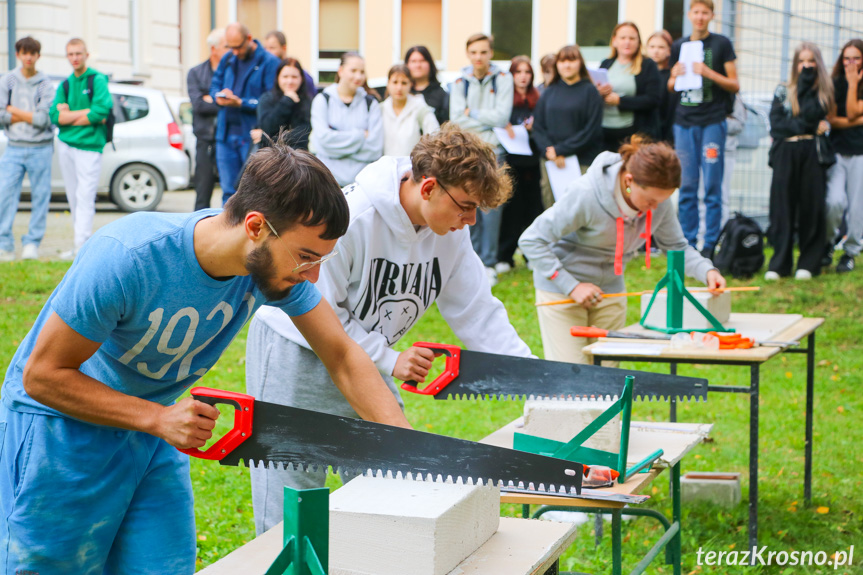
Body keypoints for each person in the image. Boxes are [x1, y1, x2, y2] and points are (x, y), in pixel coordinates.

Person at [0, 140, 410, 573]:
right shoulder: (128, 256)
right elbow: (42, 376)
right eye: (306, 257)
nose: (314, 275)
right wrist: (157, 418)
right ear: (255, 227)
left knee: (164, 567)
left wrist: (407, 446)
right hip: (61, 433)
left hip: (152, 434)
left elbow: (343, 354)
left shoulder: (268, 268)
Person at [247, 124, 530, 534]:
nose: (471, 220)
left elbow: (480, 314)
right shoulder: (354, 215)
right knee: (291, 505)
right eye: (466, 205)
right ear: (429, 187)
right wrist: (389, 357)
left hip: (365, 363)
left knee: (387, 492)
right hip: (297, 351)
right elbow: (315, 307)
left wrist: (541, 384)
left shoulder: (450, 234)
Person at [519, 136, 726, 364]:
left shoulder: (659, 202)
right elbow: (531, 240)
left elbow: (676, 246)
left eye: (662, 201)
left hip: (611, 291)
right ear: (629, 181)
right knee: (571, 378)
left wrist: (707, 271)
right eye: (650, 201)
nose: (655, 208)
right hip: (561, 291)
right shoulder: (586, 195)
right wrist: (572, 286)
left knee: (608, 376)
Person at [668, 0, 739, 259]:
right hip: (683, 122)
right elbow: (670, 87)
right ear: (689, 14)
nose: (700, 17)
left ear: (711, 15)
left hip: (712, 122)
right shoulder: (679, 45)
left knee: (711, 184)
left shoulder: (721, 44)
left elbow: (734, 84)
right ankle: (687, 242)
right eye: (696, 12)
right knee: (687, 185)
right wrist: (674, 75)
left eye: (704, 12)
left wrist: (708, 72)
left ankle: (710, 241)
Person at [449, 33, 514, 286]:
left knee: (491, 207)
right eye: (474, 52)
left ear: (491, 53)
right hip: (466, 152)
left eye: (483, 52)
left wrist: (471, 113)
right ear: (468, 53)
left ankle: (488, 262)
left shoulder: (503, 79)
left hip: (493, 150)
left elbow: (502, 116)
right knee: (467, 204)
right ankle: (471, 258)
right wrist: (480, 117)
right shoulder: (458, 81)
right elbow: (456, 118)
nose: (479, 57)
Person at [765, 42, 833, 281]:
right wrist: (805, 126)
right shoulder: (783, 90)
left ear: (818, 64)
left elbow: (812, 113)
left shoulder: (823, 92)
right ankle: (780, 263)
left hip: (812, 153)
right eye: (802, 61)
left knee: (810, 207)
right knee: (782, 207)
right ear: (795, 63)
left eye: (811, 61)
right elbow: (777, 125)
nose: (806, 66)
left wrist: (801, 123)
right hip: (786, 152)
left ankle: (808, 262)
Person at [49, 38, 113, 260]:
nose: (74, 58)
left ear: (86, 54)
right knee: (73, 197)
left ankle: (82, 248)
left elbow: (100, 111)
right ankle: (78, 246)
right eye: (70, 54)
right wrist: (82, 114)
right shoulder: (65, 84)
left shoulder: (97, 79)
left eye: (78, 53)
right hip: (67, 145)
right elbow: (54, 116)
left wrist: (69, 116)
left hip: (89, 147)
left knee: (85, 196)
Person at [210, 22, 280, 206]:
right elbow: (214, 85)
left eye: (238, 47)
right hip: (225, 135)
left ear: (249, 39)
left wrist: (241, 102)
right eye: (230, 47)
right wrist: (218, 96)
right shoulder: (228, 59)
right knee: (228, 192)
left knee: (252, 192)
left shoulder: (269, 62)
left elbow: (270, 99)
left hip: (250, 135)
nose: (235, 52)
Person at [0, 36, 56, 262]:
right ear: (18, 55)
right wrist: (28, 116)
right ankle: (5, 244)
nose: (28, 57)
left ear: (38, 56)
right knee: (4, 195)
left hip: (41, 148)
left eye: (32, 53)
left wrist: (15, 112)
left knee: (40, 197)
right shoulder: (8, 80)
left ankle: (32, 244)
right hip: (14, 147)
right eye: (24, 53)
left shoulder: (45, 84)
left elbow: (44, 120)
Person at [532, 44, 603, 210]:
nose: (567, 65)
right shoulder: (549, 92)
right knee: (552, 210)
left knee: (580, 210)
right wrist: (550, 151)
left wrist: (562, 150)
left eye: (572, 60)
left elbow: (591, 130)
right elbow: (539, 127)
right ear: (557, 64)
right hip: (551, 162)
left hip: (581, 160)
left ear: (580, 63)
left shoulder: (590, 92)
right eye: (562, 61)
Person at [496, 56, 543, 273]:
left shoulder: (537, 98)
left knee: (533, 209)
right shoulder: (505, 99)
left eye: (527, 72)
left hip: (532, 162)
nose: (523, 77)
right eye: (518, 72)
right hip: (511, 161)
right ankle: (505, 255)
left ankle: (531, 254)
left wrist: (534, 128)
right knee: (511, 210)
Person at [310, 52, 383, 186]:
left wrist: (335, 147)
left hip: (361, 184)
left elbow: (375, 148)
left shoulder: (371, 104)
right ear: (341, 71)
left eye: (362, 72)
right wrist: (360, 136)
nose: (358, 76)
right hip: (328, 184)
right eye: (353, 70)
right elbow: (323, 141)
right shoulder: (322, 101)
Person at [825, 38, 863, 274]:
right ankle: (827, 244)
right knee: (834, 201)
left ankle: (850, 251)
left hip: (860, 153)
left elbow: (847, 112)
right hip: (837, 152)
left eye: (856, 58)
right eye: (847, 58)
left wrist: (853, 83)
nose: (851, 63)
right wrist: (857, 120)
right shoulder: (834, 83)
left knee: (858, 207)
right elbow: (833, 119)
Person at [598, 22, 662, 151]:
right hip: (605, 133)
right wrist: (598, 93)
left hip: (633, 135)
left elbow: (653, 99)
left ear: (638, 42)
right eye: (623, 38)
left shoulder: (648, 65)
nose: (627, 42)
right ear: (614, 41)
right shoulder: (606, 63)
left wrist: (620, 101)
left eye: (632, 38)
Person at [187, 28, 227, 211]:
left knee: (230, 190)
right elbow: (198, 105)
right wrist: (223, 102)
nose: (232, 50)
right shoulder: (196, 73)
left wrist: (211, 99)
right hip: (204, 140)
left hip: (227, 139)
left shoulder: (231, 72)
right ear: (214, 49)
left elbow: (236, 102)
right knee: (202, 191)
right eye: (227, 46)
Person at [255, 57, 312, 151]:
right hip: (271, 157)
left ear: (301, 78)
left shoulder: (308, 101)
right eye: (285, 77)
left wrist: (264, 138)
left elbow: (302, 137)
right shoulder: (266, 99)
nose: (290, 81)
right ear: (278, 78)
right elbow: (267, 127)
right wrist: (287, 100)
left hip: (299, 158)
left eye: (294, 77)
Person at [381, 64, 439, 156]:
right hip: (386, 168)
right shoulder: (380, 109)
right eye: (395, 82)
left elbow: (435, 137)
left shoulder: (420, 109)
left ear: (410, 84)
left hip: (412, 167)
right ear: (388, 83)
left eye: (404, 83)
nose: (399, 88)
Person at [263, 30, 317, 100]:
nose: (267, 52)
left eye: (272, 48)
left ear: (284, 48)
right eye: (265, 48)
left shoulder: (302, 75)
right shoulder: (266, 71)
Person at [405, 45, 449, 126]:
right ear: (406, 65)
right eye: (413, 61)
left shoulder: (441, 95)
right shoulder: (402, 93)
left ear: (430, 64)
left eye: (422, 60)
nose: (418, 65)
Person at [646, 30, 676, 144]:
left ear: (669, 50)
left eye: (661, 47)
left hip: (667, 135)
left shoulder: (672, 76)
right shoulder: (642, 74)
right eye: (652, 46)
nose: (656, 51)